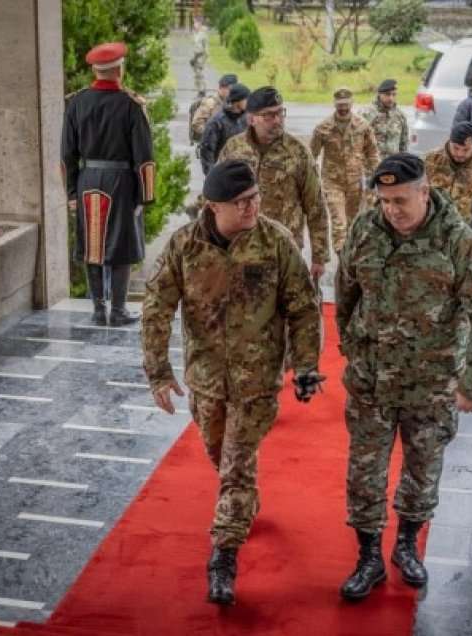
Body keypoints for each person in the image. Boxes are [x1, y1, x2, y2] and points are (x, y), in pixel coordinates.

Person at [142, 160, 324, 605]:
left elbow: (303, 307)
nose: (253, 207)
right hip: (205, 379)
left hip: (257, 380)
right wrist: (159, 372)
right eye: (241, 202)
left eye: (256, 197)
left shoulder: (275, 241)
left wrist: (304, 365)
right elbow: (156, 309)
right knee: (218, 453)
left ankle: (224, 554)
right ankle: (240, 504)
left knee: (237, 465)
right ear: (213, 206)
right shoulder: (184, 246)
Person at [336, 153, 472, 599]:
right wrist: (351, 346)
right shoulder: (365, 229)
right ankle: (368, 555)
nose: (391, 209)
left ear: (425, 193)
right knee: (364, 471)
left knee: (422, 469)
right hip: (372, 379)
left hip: (430, 385)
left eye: (400, 199)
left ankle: (407, 544)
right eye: (384, 200)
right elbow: (346, 288)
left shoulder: (458, 242)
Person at [61, 41, 155, 327]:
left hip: (89, 180)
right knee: (121, 246)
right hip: (122, 183)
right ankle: (118, 310)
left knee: (93, 244)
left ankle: (98, 310)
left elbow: (67, 156)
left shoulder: (76, 103)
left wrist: (72, 194)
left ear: (95, 70)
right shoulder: (131, 105)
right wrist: (144, 197)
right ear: (119, 70)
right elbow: (145, 158)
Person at [219, 87, 330, 281]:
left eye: (280, 112)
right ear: (251, 119)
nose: (277, 120)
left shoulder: (298, 152)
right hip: (240, 245)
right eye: (269, 115)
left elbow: (315, 205)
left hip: (284, 248)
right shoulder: (234, 149)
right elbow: (217, 196)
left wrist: (319, 256)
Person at [310, 87, 380, 252]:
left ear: (352, 103)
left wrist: (378, 177)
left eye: (346, 104)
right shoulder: (323, 128)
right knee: (339, 223)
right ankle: (341, 258)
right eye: (340, 104)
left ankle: (350, 259)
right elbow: (310, 156)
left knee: (352, 224)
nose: (343, 108)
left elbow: (372, 153)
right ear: (335, 104)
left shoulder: (362, 126)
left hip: (355, 184)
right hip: (332, 183)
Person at [424, 122, 472, 222]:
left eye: (466, 149)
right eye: (455, 148)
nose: (459, 154)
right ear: (449, 141)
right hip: (434, 225)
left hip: (468, 229)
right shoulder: (431, 159)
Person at [199, 83, 250, 176]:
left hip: (243, 174)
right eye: (246, 99)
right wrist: (212, 177)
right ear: (237, 101)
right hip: (222, 175)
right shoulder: (217, 122)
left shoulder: (246, 119)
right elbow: (207, 151)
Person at [360, 79, 409, 158]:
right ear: (379, 94)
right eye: (387, 94)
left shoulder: (400, 116)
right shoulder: (366, 114)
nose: (391, 98)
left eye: (394, 95)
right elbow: (358, 142)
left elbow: (403, 144)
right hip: (372, 165)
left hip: (392, 165)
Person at [190, 73, 238, 145]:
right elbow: (196, 124)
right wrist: (211, 134)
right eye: (229, 89)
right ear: (221, 88)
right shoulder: (210, 103)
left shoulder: (232, 103)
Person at [191, 17, 209, 96]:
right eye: (194, 23)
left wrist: (203, 60)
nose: (194, 24)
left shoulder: (203, 34)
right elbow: (194, 46)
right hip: (195, 55)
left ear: (200, 24)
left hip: (201, 55)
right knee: (196, 74)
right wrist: (193, 58)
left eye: (196, 23)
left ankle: (203, 90)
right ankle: (199, 89)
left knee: (200, 73)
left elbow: (206, 49)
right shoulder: (195, 33)